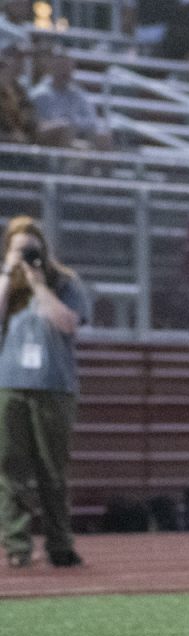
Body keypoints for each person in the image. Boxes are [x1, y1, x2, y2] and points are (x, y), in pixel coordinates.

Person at [1, 215, 90, 569]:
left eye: (31, 247)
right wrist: (10, 271)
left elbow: (68, 323)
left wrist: (40, 284)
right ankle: (18, 547)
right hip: (10, 384)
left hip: (54, 386)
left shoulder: (64, 282)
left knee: (53, 472)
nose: (26, 254)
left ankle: (59, 544)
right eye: (18, 246)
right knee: (10, 470)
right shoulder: (8, 284)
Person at [28, 49, 113, 150]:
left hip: (77, 135)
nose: (66, 72)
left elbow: (91, 121)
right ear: (52, 68)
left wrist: (73, 123)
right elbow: (44, 124)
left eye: (69, 67)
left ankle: (107, 165)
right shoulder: (41, 94)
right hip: (49, 140)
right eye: (62, 67)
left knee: (103, 137)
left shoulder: (77, 93)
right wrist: (68, 123)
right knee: (67, 131)